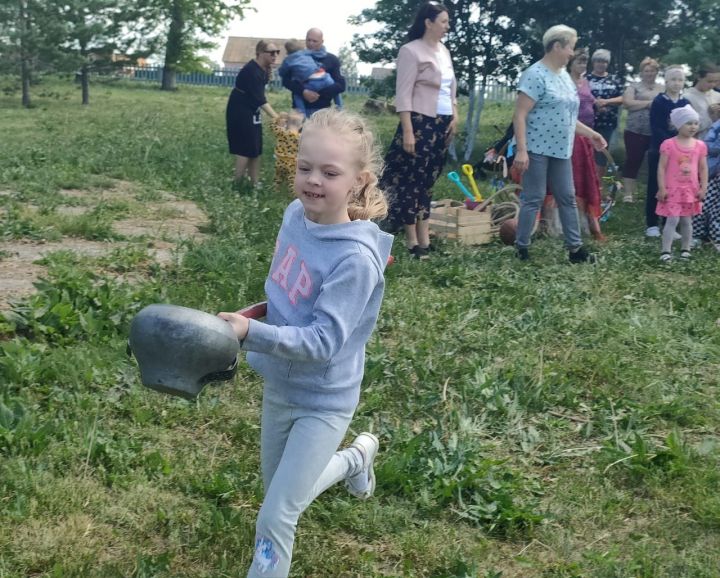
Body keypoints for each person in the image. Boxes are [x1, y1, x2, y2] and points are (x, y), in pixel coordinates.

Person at [217, 108, 393, 578]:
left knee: (276, 514)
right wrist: (247, 317)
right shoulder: (295, 214)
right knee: (282, 488)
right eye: (304, 168)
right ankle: (357, 458)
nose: (313, 181)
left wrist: (249, 333)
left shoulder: (355, 260)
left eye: (330, 173)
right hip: (280, 385)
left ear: (359, 181)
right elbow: (284, 294)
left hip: (324, 399)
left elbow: (321, 343)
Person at [512, 24, 607, 263]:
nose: (572, 54)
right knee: (533, 198)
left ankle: (575, 250)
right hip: (536, 148)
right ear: (557, 46)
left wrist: (591, 134)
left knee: (567, 196)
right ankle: (521, 247)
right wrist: (522, 150)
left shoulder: (564, 77)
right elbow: (520, 114)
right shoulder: (534, 74)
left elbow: (568, 117)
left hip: (561, 149)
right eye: (570, 48)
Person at [379, 1, 458, 259]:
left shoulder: (444, 51)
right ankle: (412, 241)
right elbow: (403, 94)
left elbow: (450, 88)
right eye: (444, 22)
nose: (448, 27)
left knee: (428, 182)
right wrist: (408, 131)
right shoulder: (411, 51)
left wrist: (455, 115)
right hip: (420, 122)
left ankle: (425, 239)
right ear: (429, 22)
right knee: (412, 182)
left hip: (442, 124)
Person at [656, 105, 708, 261]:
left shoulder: (700, 145)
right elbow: (661, 167)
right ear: (678, 125)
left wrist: (703, 187)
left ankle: (686, 248)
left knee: (687, 220)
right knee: (672, 219)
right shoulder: (669, 144)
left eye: (695, 123)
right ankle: (666, 251)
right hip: (672, 189)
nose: (693, 127)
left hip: (690, 190)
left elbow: (703, 168)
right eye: (688, 123)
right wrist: (662, 187)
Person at [645, 65, 691, 237]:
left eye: (680, 80)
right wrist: (671, 142)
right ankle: (651, 223)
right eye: (673, 79)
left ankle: (668, 223)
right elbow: (656, 127)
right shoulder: (659, 101)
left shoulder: (685, 103)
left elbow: (688, 127)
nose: (676, 83)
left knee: (674, 187)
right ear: (665, 81)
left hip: (680, 154)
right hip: (660, 151)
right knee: (655, 186)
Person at [226, 40, 280, 186]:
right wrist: (277, 118)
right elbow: (260, 100)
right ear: (260, 53)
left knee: (255, 147)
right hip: (240, 110)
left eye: (277, 52)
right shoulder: (252, 71)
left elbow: (259, 98)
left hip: (251, 110)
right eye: (272, 52)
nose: (275, 55)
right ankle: (237, 183)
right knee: (245, 147)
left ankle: (254, 183)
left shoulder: (262, 69)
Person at [568, 47, 605, 241]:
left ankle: (587, 220)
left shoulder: (586, 82)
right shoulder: (565, 81)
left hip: (587, 135)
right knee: (574, 178)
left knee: (587, 177)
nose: (582, 65)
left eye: (584, 62)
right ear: (570, 63)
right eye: (578, 61)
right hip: (571, 135)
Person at [622, 57, 663, 202]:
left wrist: (639, 103)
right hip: (635, 129)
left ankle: (653, 193)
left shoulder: (662, 88)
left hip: (655, 130)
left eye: (652, 71)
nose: (649, 73)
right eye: (646, 71)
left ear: (657, 72)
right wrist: (649, 104)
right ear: (642, 72)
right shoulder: (634, 86)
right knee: (633, 160)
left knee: (655, 162)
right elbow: (627, 103)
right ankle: (628, 193)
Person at [280, 28, 345, 117]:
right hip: (299, 110)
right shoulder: (296, 57)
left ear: (322, 41)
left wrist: (318, 93)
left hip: (322, 111)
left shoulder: (332, 59)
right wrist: (303, 92)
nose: (311, 44)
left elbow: (341, 85)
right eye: (308, 40)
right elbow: (286, 81)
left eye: (315, 41)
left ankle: (341, 111)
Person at [586, 49, 624, 178]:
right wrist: (595, 103)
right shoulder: (586, 79)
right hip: (588, 122)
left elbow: (622, 98)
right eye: (598, 61)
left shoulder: (614, 79)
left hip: (608, 123)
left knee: (602, 153)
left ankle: (598, 186)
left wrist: (606, 102)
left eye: (604, 62)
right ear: (593, 62)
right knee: (586, 153)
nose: (601, 64)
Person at [692, 117, 720, 251]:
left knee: (717, 210)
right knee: (703, 204)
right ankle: (697, 235)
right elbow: (707, 145)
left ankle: (716, 238)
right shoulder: (717, 125)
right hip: (714, 173)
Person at [683, 62, 720, 139]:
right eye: (709, 81)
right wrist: (710, 117)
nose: (713, 85)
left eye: (716, 81)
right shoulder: (687, 98)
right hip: (698, 144)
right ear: (699, 77)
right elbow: (686, 128)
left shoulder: (717, 95)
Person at [270, 110, 304, 191]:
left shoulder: (281, 132)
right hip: (293, 163)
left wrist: (278, 117)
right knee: (292, 180)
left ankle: (275, 190)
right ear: (300, 126)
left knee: (278, 177)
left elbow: (272, 126)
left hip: (280, 161)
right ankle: (293, 194)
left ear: (287, 123)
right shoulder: (301, 137)